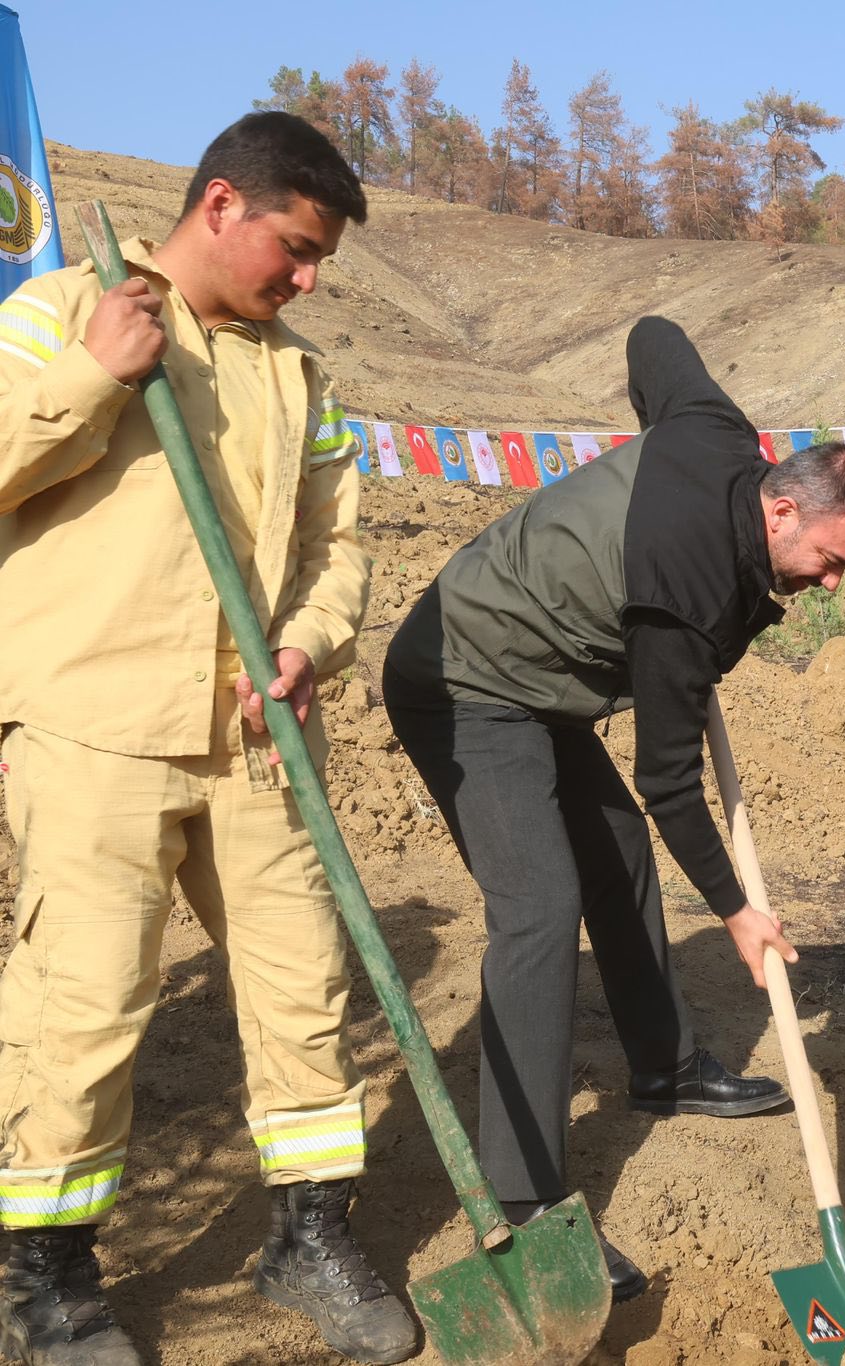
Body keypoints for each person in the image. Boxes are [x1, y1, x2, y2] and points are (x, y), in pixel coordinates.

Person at [0, 114, 416, 1364]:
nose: (306, 279)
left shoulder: (302, 376)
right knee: (85, 1007)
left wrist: (310, 643)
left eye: (320, 261)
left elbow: (342, 549)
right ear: (222, 204)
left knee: (305, 991)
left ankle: (307, 1232)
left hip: (260, 733)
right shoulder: (64, 311)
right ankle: (47, 1275)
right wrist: (91, 379)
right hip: (95, 729)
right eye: (293, 249)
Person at [381, 317, 845, 1299]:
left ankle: (663, 1062)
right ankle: (527, 1204)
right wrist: (738, 909)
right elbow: (668, 780)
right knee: (538, 907)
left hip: (541, 677)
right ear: (780, 510)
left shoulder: (712, 428)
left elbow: (654, 337)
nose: (830, 586)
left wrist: (663, 457)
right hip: (462, 677)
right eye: (829, 560)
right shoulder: (684, 591)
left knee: (612, 852)